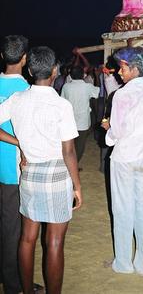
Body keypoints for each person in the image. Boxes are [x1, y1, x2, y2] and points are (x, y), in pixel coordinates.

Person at [0, 46, 82, 294]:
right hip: (57, 175)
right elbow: (68, 151)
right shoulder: (61, 106)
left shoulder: (17, 99)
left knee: (27, 238)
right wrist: (77, 187)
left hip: (29, 174)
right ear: (55, 70)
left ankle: (25, 291)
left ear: (30, 69)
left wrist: (19, 143)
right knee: (54, 242)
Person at [101, 47, 143, 277]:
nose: (119, 72)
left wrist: (109, 131)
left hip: (124, 157)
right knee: (142, 208)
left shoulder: (122, 95)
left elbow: (116, 133)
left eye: (123, 68)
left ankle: (123, 263)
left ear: (135, 69)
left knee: (122, 210)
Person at [0, 36, 43, 294]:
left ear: (3, 56)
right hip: (12, 170)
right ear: (25, 58)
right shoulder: (26, 91)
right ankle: (14, 283)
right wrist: (20, 143)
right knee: (13, 230)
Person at [61, 65, 100, 164]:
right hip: (83, 121)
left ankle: (70, 163)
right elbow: (97, 92)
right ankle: (73, 165)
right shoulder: (87, 86)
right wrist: (97, 77)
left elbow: (62, 101)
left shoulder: (66, 86)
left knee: (70, 144)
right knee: (80, 146)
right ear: (83, 75)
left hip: (69, 120)